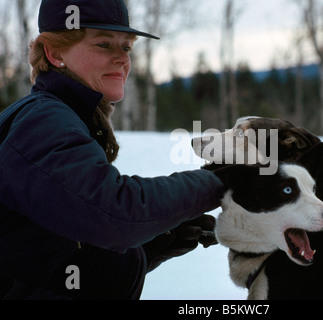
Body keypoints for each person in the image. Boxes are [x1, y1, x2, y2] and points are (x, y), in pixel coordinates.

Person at [0, 0, 224, 300]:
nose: (121, 58)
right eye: (104, 44)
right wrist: (221, 180)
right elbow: (113, 212)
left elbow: (55, 261)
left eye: (126, 47)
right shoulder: (44, 121)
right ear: (55, 53)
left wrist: (152, 245)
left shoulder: (63, 117)